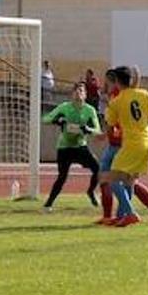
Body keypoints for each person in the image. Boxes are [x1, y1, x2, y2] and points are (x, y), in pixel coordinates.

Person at [104, 65, 148, 228]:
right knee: (130, 182)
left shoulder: (116, 102)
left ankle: (130, 213)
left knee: (112, 178)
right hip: (147, 142)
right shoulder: (144, 94)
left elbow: (110, 126)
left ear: (116, 82)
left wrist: (118, 127)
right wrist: (140, 121)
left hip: (132, 144)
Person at [41, 84, 102, 212]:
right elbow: (45, 118)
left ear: (85, 94)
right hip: (65, 147)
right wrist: (58, 121)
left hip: (80, 147)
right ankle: (48, 203)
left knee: (98, 169)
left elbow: (98, 130)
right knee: (62, 176)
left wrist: (88, 129)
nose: (78, 93)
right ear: (71, 94)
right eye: (75, 91)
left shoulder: (89, 110)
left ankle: (90, 192)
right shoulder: (64, 107)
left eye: (81, 90)